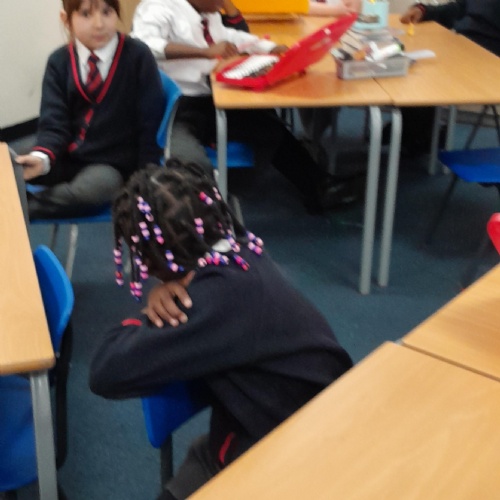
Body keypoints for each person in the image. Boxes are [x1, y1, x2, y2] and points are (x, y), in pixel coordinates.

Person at [89, 160, 353, 499]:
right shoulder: (242, 249)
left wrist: (145, 313)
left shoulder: (211, 300)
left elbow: (106, 370)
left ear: (152, 261)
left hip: (294, 453)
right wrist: (164, 287)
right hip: (298, 418)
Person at [130, 0, 364, 213]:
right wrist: (204, 52)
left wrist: (268, 48)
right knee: (188, 163)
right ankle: (198, 217)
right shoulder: (158, 7)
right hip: (179, 106)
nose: (224, 4)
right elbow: (144, 44)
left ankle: (319, 188)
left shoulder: (206, 12)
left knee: (269, 126)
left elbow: (230, 36)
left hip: (209, 96)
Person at [12, 0, 165, 221]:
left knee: (95, 191)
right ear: (66, 20)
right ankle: (20, 204)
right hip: (65, 154)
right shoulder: (58, 61)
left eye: (107, 12)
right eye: (86, 14)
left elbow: (149, 125)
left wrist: (145, 179)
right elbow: (54, 124)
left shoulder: (138, 56)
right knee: (9, 159)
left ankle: (20, 208)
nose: (99, 24)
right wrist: (42, 158)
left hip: (110, 165)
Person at [393, 0, 500, 157]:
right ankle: (415, 133)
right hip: (463, 47)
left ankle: (417, 135)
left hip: (487, 60)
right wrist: (424, 11)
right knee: (416, 65)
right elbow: (459, 9)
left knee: (425, 74)